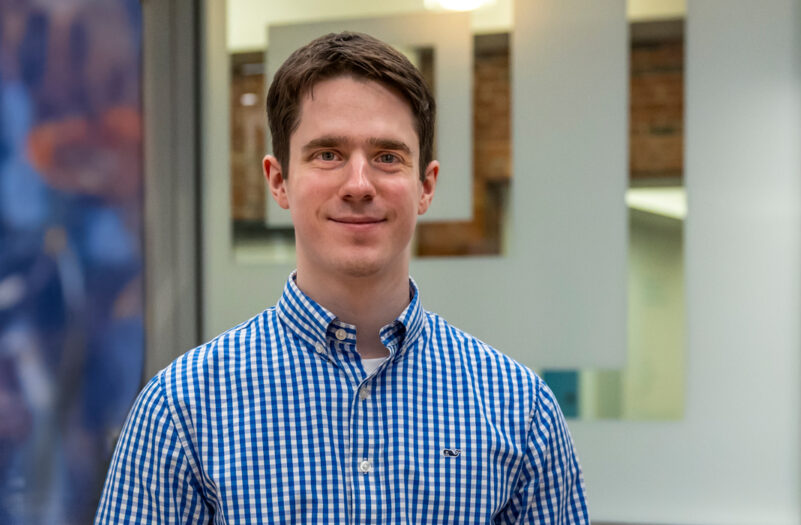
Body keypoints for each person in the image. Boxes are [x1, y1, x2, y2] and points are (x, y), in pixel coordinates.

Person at [95, 31, 588, 524]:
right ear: (279, 180)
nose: (358, 185)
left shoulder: (520, 410)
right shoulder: (182, 412)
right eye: (327, 154)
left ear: (426, 186)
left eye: (388, 157)